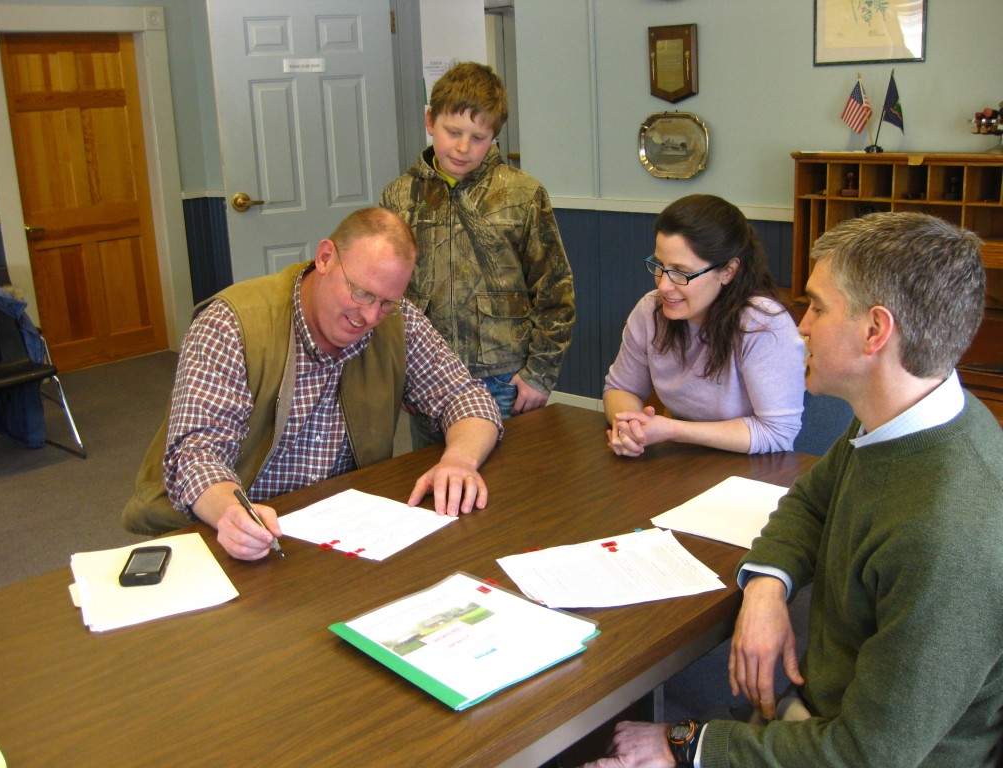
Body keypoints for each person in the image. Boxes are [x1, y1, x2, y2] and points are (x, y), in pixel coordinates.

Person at [583, 211, 1003, 767]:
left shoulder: (950, 535)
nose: (801, 325)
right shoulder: (902, 415)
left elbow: (865, 757)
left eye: (819, 307)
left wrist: (687, 744)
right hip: (823, 711)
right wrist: (766, 586)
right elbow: (809, 501)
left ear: (876, 331)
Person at [121, 208, 503, 560]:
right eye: (362, 292)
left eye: (386, 302)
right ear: (324, 258)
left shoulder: (397, 321)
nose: (370, 315)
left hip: (339, 528)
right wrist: (231, 513)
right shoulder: (231, 323)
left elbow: (464, 396)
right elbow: (196, 453)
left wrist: (458, 460)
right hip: (230, 527)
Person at [380, 61, 575, 447]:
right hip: (427, 378)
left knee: (503, 490)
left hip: (502, 378)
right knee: (436, 487)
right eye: (453, 132)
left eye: (479, 137)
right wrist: (398, 376)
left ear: (494, 137)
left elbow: (556, 290)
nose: (464, 147)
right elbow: (387, 297)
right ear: (430, 120)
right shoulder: (399, 197)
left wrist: (540, 373)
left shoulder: (522, 193)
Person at [604, 194, 804, 456]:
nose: (664, 285)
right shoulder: (650, 310)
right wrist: (630, 426)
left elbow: (777, 432)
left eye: (681, 272)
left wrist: (673, 430)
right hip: (686, 462)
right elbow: (621, 388)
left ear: (728, 271)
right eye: (660, 266)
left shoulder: (763, 324)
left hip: (755, 469)